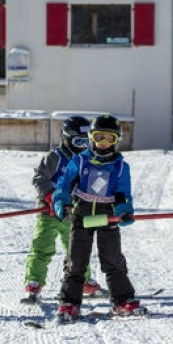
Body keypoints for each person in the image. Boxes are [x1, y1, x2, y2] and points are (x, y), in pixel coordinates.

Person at [52, 114, 144, 322]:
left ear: (116, 141)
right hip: (81, 215)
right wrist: (62, 202)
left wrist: (124, 211)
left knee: (113, 260)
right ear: (91, 138)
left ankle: (122, 300)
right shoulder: (80, 160)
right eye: (98, 137)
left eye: (109, 138)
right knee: (76, 261)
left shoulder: (121, 167)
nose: (103, 143)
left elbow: (123, 194)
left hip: (107, 217)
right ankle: (69, 303)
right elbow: (64, 186)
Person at [21, 115, 103, 303]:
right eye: (78, 141)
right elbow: (39, 178)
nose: (82, 145)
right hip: (48, 213)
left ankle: (82, 281)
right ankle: (34, 283)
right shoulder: (55, 157)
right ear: (66, 138)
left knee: (77, 250)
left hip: (71, 215)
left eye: (86, 141)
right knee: (42, 248)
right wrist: (50, 195)